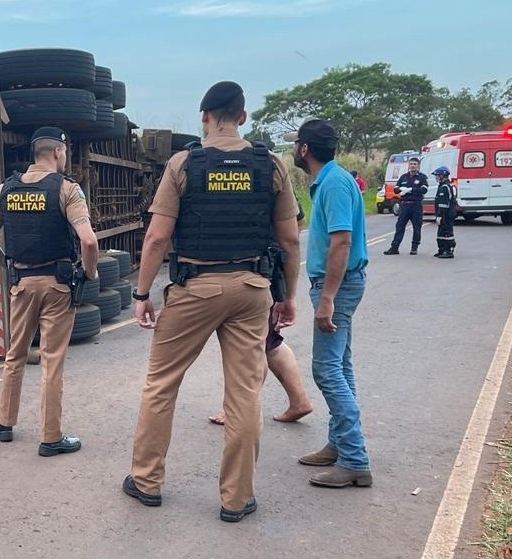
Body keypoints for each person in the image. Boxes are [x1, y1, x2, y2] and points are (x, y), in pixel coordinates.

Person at [122, 81, 300, 523]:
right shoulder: (270, 165)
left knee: (161, 384)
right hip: (252, 289)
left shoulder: (185, 164)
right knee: (244, 393)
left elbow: (158, 237)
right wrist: (288, 297)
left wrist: (142, 294)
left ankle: (146, 482)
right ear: (242, 116)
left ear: (205, 118)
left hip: (194, 288)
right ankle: (237, 498)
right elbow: (290, 239)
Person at [0, 126, 99, 457]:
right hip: (57, 285)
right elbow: (88, 240)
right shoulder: (67, 190)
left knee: (15, 354)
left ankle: (4, 424)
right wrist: (89, 272)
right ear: (58, 152)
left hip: (22, 284)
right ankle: (51, 436)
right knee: (52, 361)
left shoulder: (7, 189)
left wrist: (11, 265)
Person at [289, 118, 373, 489]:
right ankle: (339, 445)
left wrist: (327, 299)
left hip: (336, 286)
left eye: (296, 144)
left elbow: (341, 242)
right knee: (341, 365)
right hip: (337, 284)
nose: (294, 149)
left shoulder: (335, 184)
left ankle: (355, 458)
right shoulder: (329, 181)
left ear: (305, 149)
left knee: (327, 371)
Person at [208, 207, 313, 426]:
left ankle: (240, 409)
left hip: (257, 271)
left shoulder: (261, 177)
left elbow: (294, 230)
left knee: (254, 345)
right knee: (270, 341)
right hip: (268, 268)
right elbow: (297, 224)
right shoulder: (273, 178)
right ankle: (299, 400)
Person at [383, 157, 427, 255]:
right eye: (411, 164)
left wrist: (411, 190)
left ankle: (414, 248)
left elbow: (424, 190)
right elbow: (396, 189)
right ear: (408, 165)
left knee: (416, 227)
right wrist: (401, 190)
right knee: (399, 226)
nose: (412, 166)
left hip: (416, 205)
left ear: (418, 166)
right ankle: (394, 247)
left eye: (415, 164)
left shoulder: (422, 177)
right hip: (405, 205)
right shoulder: (403, 177)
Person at [432, 166, 458, 259]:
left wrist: (439, 216)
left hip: (446, 214)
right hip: (444, 214)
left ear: (443, 175)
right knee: (441, 232)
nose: (437, 177)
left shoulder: (445, 187)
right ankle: (442, 249)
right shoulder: (443, 186)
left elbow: (443, 204)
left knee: (447, 232)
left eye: (438, 175)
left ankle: (449, 250)